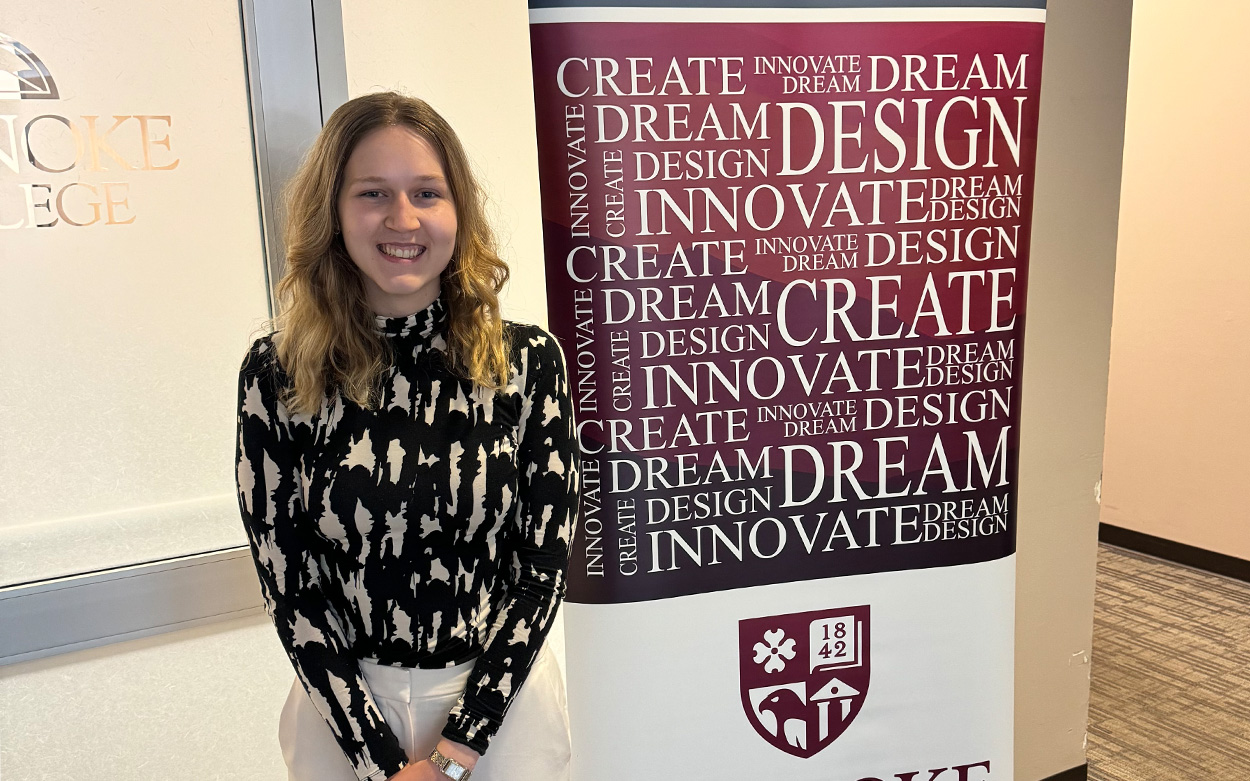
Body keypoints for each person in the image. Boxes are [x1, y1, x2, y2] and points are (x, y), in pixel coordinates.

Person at [235, 91, 579, 781]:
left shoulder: (528, 363)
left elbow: (541, 568)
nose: (403, 218)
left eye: (427, 191)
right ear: (333, 211)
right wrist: (379, 761)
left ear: (459, 212)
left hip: (504, 712)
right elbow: (290, 586)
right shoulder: (278, 375)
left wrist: (455, 754)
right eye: (372, 194)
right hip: (342, 714)